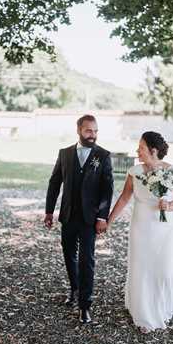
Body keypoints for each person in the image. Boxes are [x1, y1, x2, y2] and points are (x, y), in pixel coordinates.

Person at [108, 131, 173, 333]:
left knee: (164, 266)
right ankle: (143, 311)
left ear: (153, 151)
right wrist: (109, 221)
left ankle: (163, 304)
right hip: (141, 226)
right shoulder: (134, 172)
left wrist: (169, 206)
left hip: (166, 229)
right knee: (141, 265)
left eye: (141, 148)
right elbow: (125, 199)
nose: (137, 151)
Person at [44, 114, 114, 324]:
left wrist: (103, 217)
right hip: (68, 216)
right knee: (69, 255)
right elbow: (54, 182)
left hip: (89, 219)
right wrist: (49, 212)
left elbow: (107, 189)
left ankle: (85, 305)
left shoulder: (103, 155)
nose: (93, 135)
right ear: (79, 131)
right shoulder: (64, 154)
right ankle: (74, 289)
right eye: (88, 131)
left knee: (87, 261)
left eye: (95, 131)